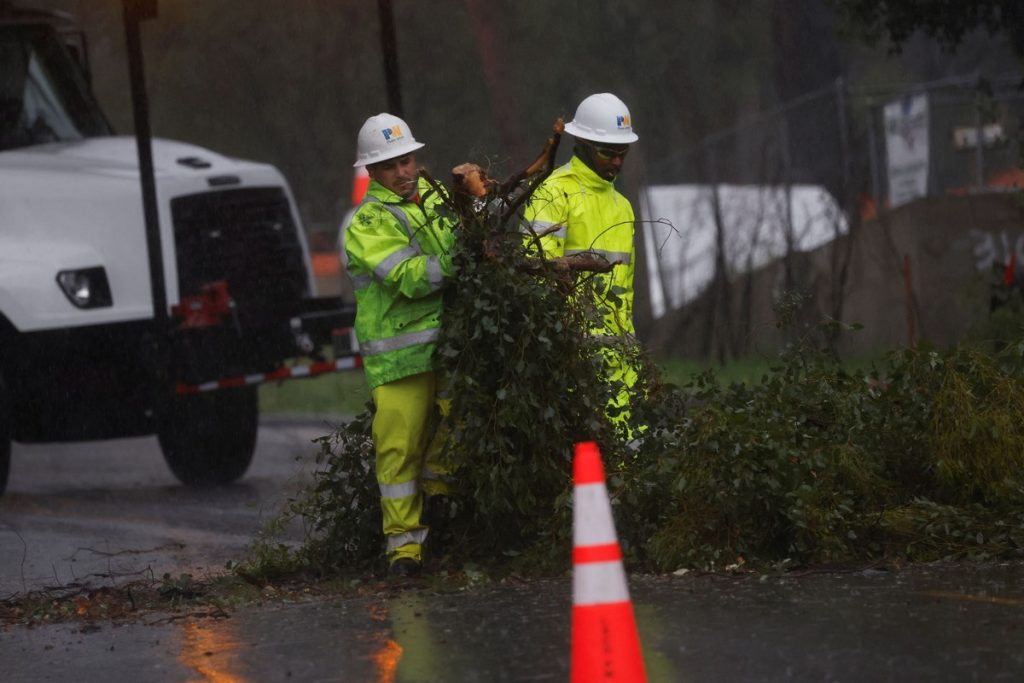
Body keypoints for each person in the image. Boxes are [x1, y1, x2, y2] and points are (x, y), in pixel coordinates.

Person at [342, 113, 456, 577]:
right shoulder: (366, 222)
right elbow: (412, 278)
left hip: (446, 351)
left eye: (408, 160)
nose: (405, 172)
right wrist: (463, 259)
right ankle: (404, 552)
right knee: (399, 454)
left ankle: (443, 519)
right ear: (372, 172)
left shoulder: (434, 202)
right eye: (391, 166)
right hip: (400, 362)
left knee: (459, 431)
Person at [525, 92, 640, 421]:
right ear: (583, 144)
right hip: (571, 362)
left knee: (631, 456)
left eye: (623, 152)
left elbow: (626, 290)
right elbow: (536, 274)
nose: (617, 162)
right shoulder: (553, 192)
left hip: (622, 364)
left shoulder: (623, 206)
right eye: (608, 152)